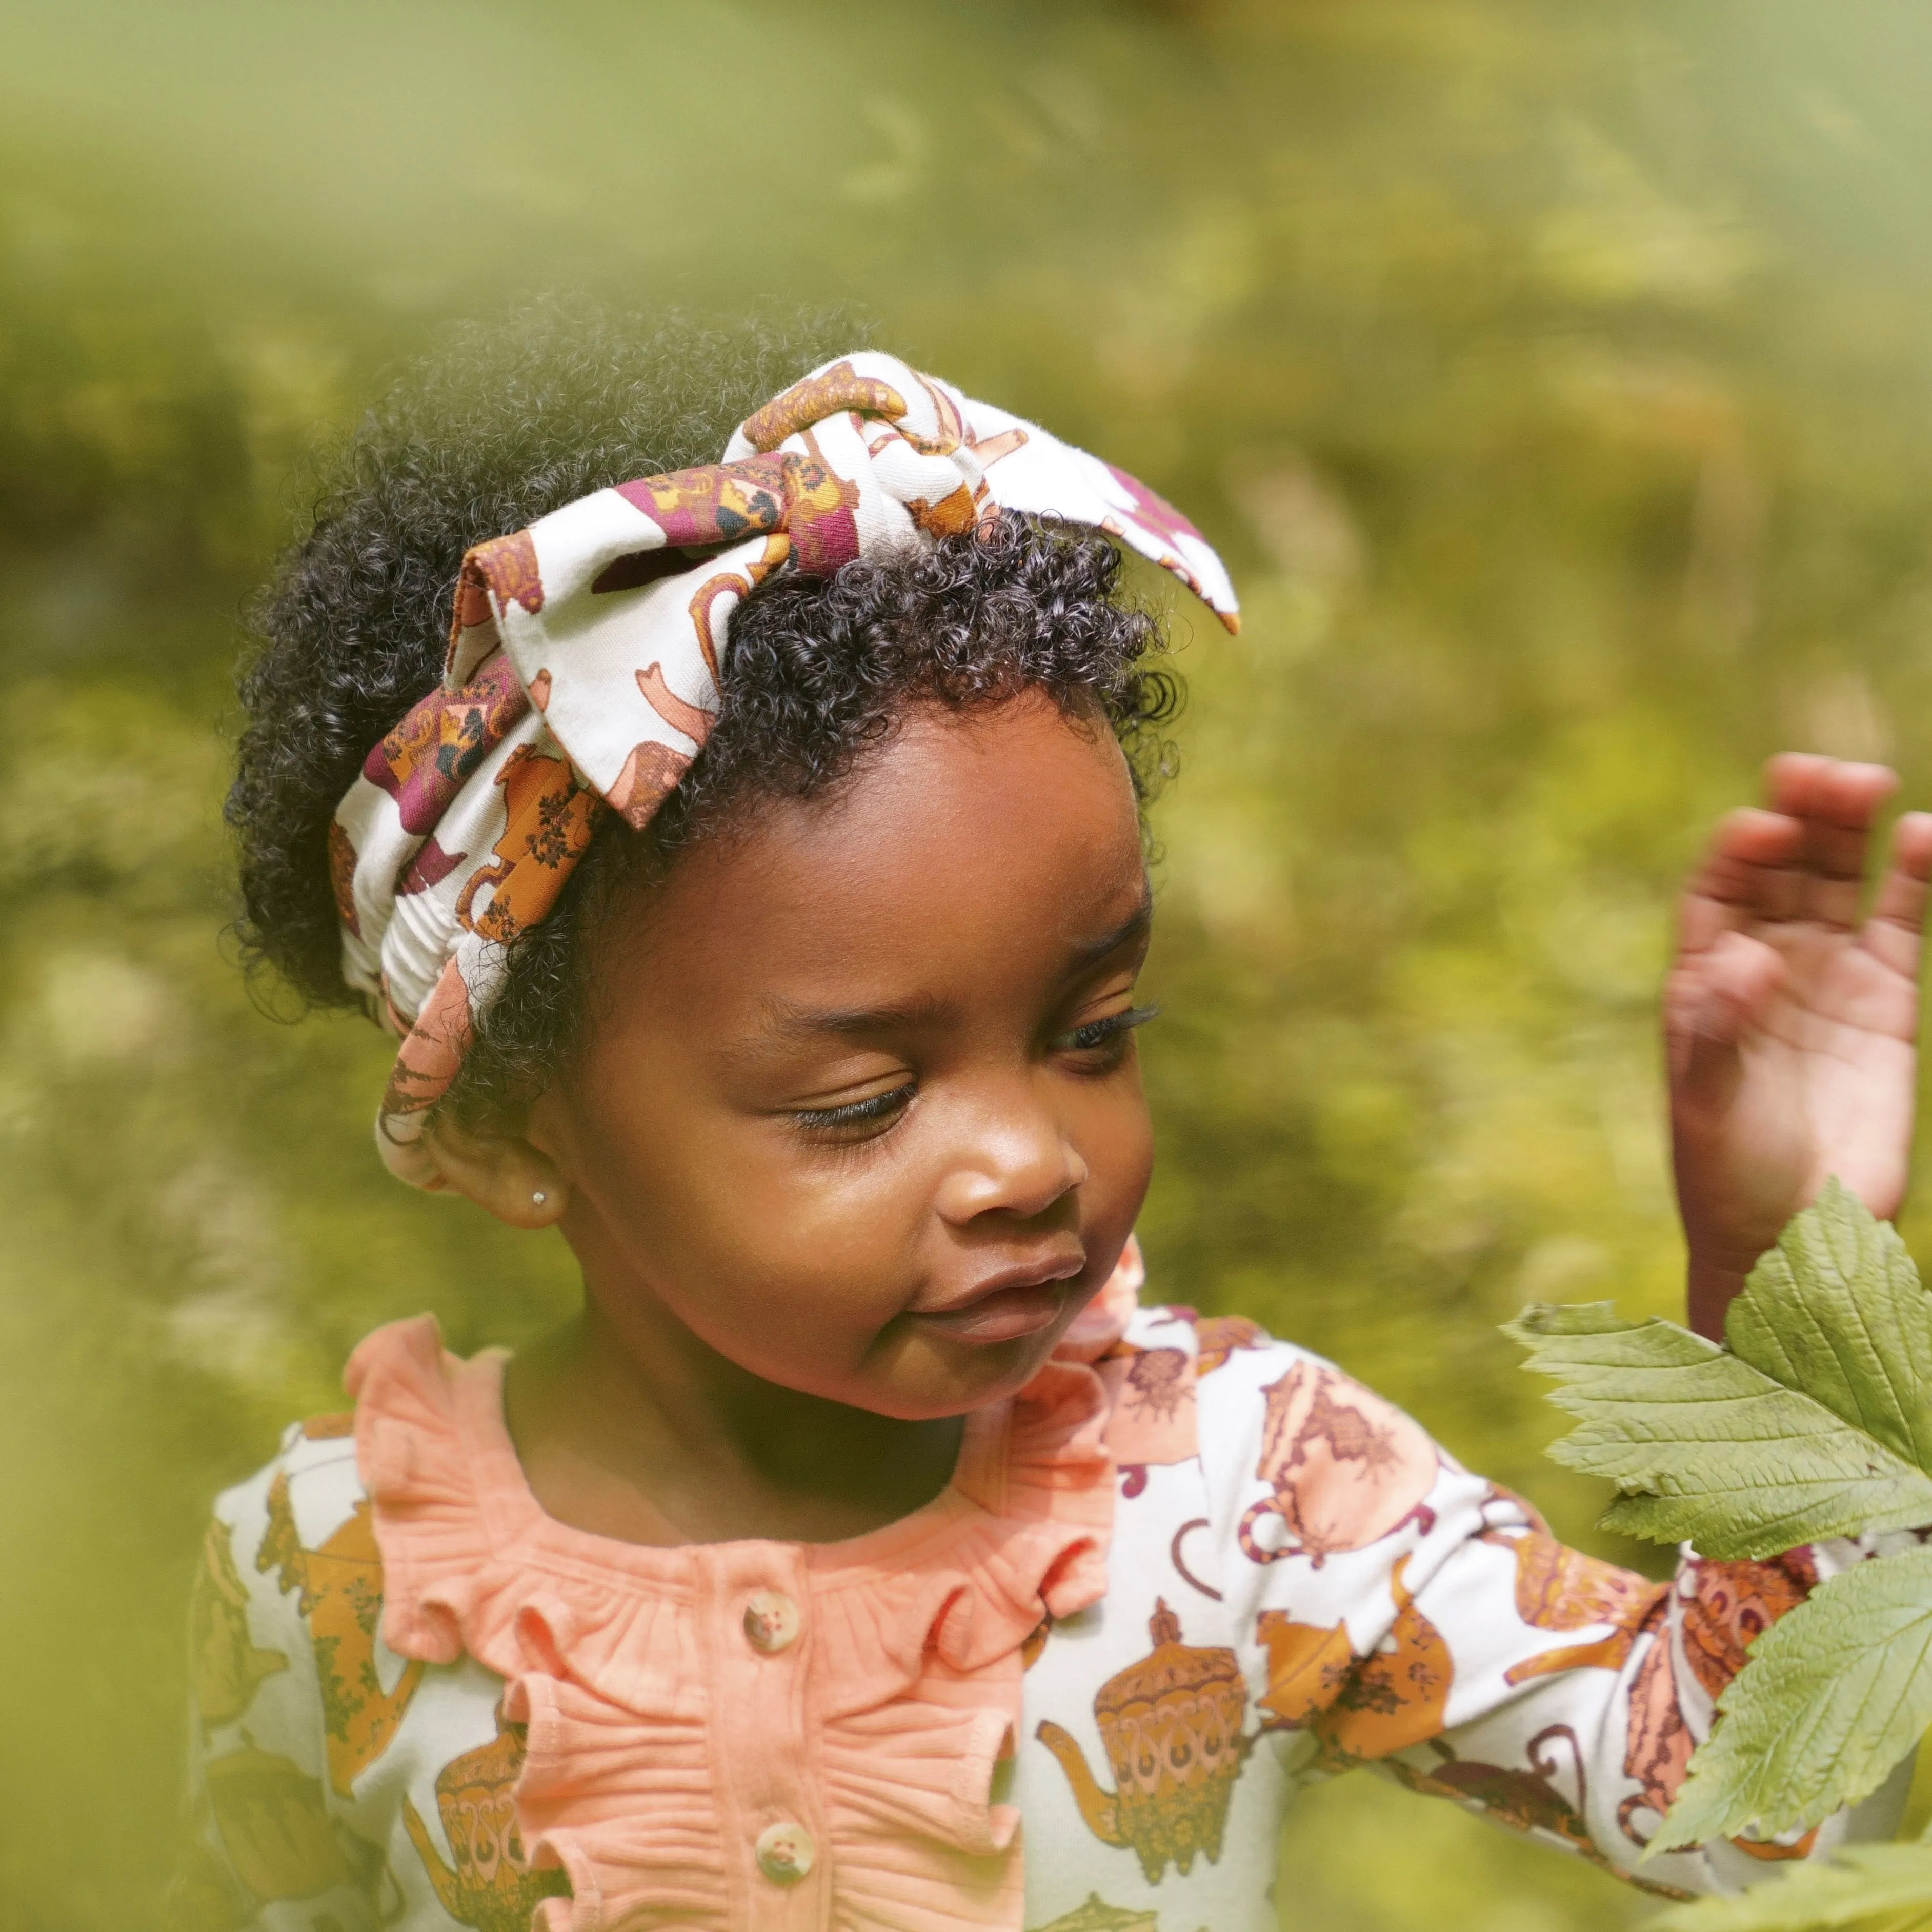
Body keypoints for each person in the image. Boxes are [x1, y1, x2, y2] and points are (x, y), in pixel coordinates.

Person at [177, 304, 1932, 1932]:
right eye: (864, 1100)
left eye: (1096, 1032)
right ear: (507, 1131)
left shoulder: (1239, 1489)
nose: (1031, 1164)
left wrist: (1794, 1272)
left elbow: (1744, 1810)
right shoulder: (319, 1577)